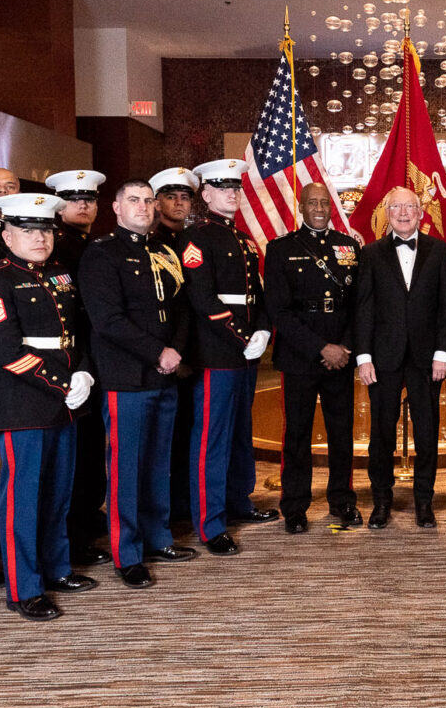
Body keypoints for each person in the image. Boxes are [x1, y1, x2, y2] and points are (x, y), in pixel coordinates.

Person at [0, 192, 96, 621]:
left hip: (65, 401)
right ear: (7, 235)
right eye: (28, 230)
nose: (39, 238)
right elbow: (5, 350)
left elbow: (76, 332)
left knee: (59, 494)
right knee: (21, 500)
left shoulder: (60, 273)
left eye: (45, 229)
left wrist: (83, 371)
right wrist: (63, 382)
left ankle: (57, 569)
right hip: (22, 403)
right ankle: (23, 587)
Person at [79, 179, 197, 589]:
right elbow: (107, 321)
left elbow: (181, 307)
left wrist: (176, 351)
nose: (144, 207)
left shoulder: (164, 250)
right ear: (116, 207)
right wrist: (157, 352)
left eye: (149, 200)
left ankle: (157, 537)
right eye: (134, 200)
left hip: (166, 372)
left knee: (157, 463)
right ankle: (126, 553)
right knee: (125, 469)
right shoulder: (101, 254)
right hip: (126, 376)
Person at [179, 159, 278, 556]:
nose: (231, 194)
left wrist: (265, 330)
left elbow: (258, 292)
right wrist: (243, 335)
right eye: (222, 188)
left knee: (240, 431)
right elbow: (202, 297)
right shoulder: (198, 237)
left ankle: (239, 501)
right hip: (218, 350)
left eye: (235, 188)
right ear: (205, 194)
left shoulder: (244, 238)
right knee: (211, 440)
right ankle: (210, 522)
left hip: (246, 351)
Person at [263, 183, 361, 533]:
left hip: (341, 355)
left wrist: (344, 347)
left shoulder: (350, 247)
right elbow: (279, 310)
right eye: (312, 202)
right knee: (298, 435)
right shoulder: (280, 249)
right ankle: (295, 505)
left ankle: (342, 500)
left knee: (341, 432)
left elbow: (357, 305)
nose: (319, 207)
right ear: (301, 206)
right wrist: (321, 348)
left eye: (324, 202)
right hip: (300, 356)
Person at [354, 186, 446, 529]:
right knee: (381, 433)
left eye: (409, 207)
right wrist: (363, 356)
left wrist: (444, 352)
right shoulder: (370, 253)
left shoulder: (440, 251)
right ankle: (381, 500)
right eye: (395, 207)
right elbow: (364, 308)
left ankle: (424, 502)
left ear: (420, 212)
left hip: (428, 359)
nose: (402, 212)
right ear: (386, 212)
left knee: (427, 434)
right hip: (382, 359)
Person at [45, 168, 109, 566]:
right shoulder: (54, 248)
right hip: (66, 364)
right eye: (73, 199)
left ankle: (84, 524)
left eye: (88, 199)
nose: (82, 205)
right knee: (71, 459)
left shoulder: (94, 245)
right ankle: (71, 537)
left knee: (88, 452)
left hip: (93, 361)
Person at [148, 166, 202, 528]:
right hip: (166, 358)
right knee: (164, 442)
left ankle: (186, 504)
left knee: (191, 435)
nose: (179, 202)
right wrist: (174, 353)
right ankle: (168, 510)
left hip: (199, 352)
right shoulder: (150, 245)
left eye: (185, 196)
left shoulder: (197, 238)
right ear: (157, 203)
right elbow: (162, 307)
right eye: (171, 196)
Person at [150, 167, 200, 247]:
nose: (179, 202)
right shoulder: (150, 242)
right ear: (157, 205)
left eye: (184, 198)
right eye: (171, 197)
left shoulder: (198, 241)